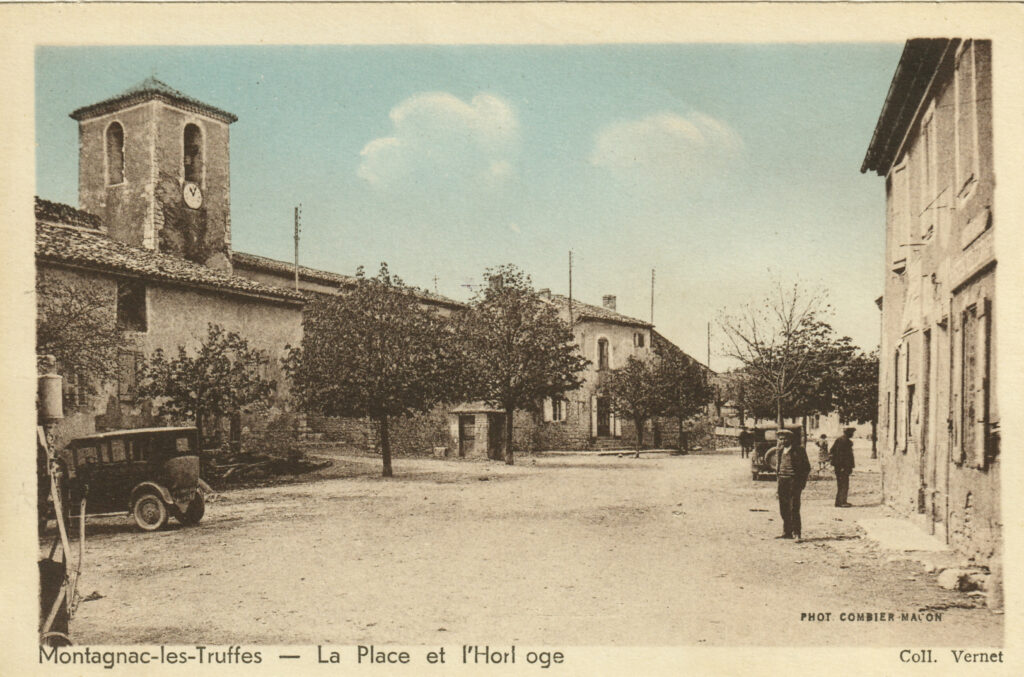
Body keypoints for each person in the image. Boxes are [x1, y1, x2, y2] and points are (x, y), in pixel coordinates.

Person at [774, 429, 810, 541]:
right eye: (780, 439)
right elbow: (778, 467)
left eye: (785, 439)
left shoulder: (799, 450)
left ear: (790, 439)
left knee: (794, 507)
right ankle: (787, 532)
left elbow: (806, 467)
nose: (782, 441)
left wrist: (801, 483)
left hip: (794, 481)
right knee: (783, 507)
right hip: (782, 481)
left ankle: (797, 533)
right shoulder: (780, 451)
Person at [830, 427, 856, 507]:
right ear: (848, 433)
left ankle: (841, 501)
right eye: (852, 433)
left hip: (842, 466)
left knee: (843, 484)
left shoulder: (842, 440)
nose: (853, 434)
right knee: (843, 484)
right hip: (842, 467)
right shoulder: (844, 441)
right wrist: (842, 466)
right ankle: (841, 502)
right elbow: (841, 455)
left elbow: (832, 450)